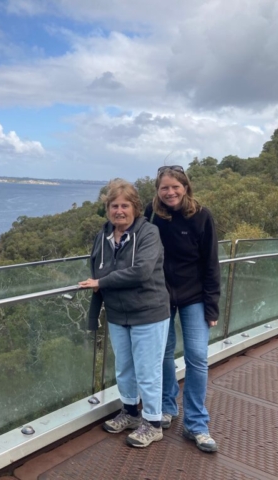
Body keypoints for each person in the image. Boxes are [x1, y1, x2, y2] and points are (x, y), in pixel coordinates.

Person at [80, 178, 170, 448]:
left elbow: (142, 271)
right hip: (118, 313)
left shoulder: (148, 233)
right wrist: (98, 280)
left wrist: (101, 282)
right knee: (125, 368)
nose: (119, 211)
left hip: (148, 312)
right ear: (107, 209)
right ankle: (130, 413)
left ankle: (153, 423)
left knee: (148, 370)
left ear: (135, 207)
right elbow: (98, 266)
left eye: (124, 205)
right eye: (114, 206)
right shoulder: (104, 235)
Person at [144, 165, 220, 453]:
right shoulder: (152, 217)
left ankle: (197, 424)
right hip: (161, 297)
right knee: (163, 353)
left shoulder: (201, 216)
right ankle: (167, 407)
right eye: (164, 187)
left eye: (175, 186)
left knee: (197, 357)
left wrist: (211, 307)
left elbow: (211, 264)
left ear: (186, 187)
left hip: (196, 297)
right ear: (158, 191)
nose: (170, 192)